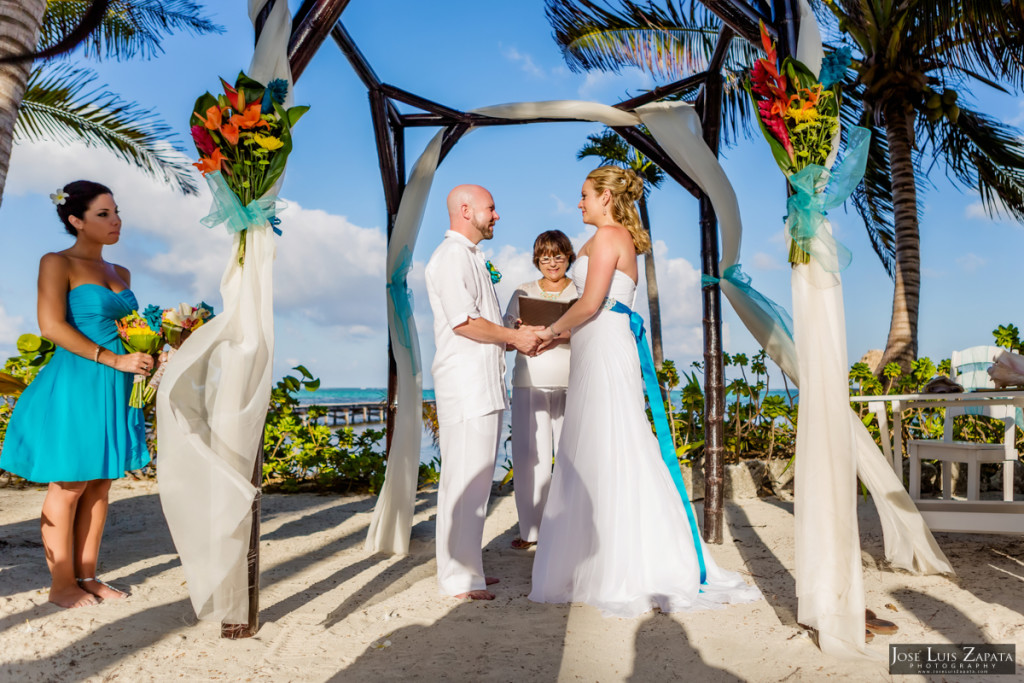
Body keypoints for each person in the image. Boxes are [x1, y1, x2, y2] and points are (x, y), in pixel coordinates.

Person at [529, 167, 761, 617]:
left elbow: (591, 304)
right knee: (604, 440)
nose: (579, 204)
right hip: (598, 339)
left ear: (606, 199)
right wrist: (552, 335)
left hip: (603, 342)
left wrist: (549, 331)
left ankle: (617, 562)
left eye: (584, 196)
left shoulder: (607, 239)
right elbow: (594, 309)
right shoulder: (614, 240)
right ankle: (595, 556)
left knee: (609, 440)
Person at [0, 181, 152, 609]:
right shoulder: (57, 262)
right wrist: (114, 358)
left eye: (116, 211)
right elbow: (51, 326)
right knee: (70, 484)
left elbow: (132, 330)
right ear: (75, 220)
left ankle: (87, 576)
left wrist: (152, 352)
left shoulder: (121, 273)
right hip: (77, 382)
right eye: (103, 213)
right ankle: (61, 585)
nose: (115, 220)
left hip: (118, 384)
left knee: (100, 485)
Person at [424, 184, 543, 600]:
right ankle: (456, 578)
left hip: (484, 384)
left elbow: (483, 320)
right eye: (491, 209)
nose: (497, 216)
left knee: (478, 483)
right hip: (465, 383)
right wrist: (514, 337)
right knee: (463, 480)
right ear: (465, 209)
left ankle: (469, 568)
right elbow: (464, 322)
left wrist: (512, 336)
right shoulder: (451, 257)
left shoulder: (471, 257)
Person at [502, 230, 577, 550]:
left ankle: (570, 526)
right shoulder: (523, 291)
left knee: (571, 456)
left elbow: (592, 328)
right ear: (537, 259)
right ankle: (530, 529)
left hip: (572, 380)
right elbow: (505, 335)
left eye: (558, 255)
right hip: (529, 380)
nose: (552, 262)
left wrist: (556, 333)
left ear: (568, 256)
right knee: (529, 456)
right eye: (545, 256)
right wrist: (519, 331)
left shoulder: (581, 289)